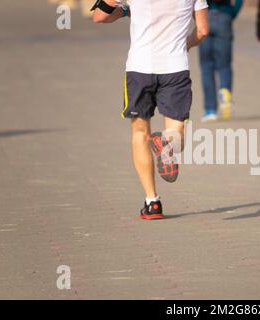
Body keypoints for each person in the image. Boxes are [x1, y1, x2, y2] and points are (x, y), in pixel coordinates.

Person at [93, 0, 209, 220]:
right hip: (175, 68)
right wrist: (187, 44)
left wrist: (126, 10)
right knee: (176, 133)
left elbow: (100, 17)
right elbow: (203, 31)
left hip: (139, 69)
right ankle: (167, 143)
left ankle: (152, 202)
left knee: (140, 133)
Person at [199, 0, 243, 122]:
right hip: (224, 17)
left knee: (206, 66)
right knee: (224, 65)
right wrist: (231, 13)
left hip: (205, 16)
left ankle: (210, 110)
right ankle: (225, 91)